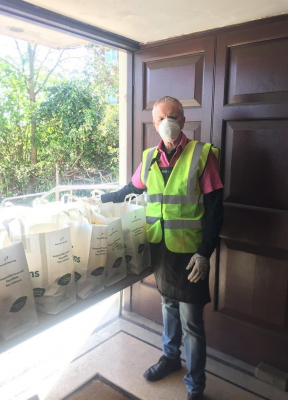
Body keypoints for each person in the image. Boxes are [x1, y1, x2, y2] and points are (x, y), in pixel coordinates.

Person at [101, 96, 223, 400]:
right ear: (154, 124)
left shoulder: (201, 154)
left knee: (192, 322)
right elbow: (132, 189)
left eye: (172, 116)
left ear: (183, 120)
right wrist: (101, 200)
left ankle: (196, 386)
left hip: (191, 253)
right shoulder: (150, 157)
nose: (166, 122)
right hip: (161, 249)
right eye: (160, 118)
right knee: (168, 306)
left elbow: (216, 208)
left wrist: (205, 252)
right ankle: (170, 358)